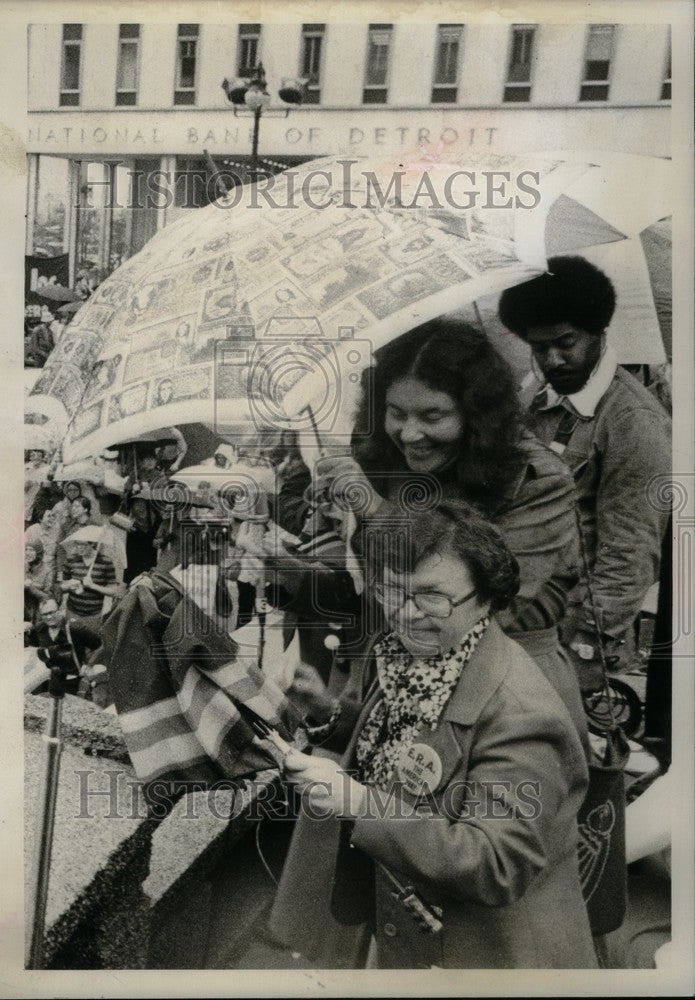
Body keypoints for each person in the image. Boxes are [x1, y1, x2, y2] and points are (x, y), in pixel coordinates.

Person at [270, 502, 597, 969]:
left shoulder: (522, 716)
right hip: (422, 930)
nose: (405, 615)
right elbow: (409, 741)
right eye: (390, 593)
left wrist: (360, 803)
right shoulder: (428, 656)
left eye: (432, 597)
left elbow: (496, 862)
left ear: (487, 597)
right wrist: (328, 713)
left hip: (491, 957)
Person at [290, 318, 587, 740]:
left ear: (477, 414)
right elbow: (374, 590)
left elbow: (485, 607)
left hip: (504, 701)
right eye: (396, 413)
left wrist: (377, 512)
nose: (410, 434)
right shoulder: (388, 462)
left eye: (433, 415)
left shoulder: (538, 481)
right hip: (392, 682)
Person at [497, 256, 671, 690]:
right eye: (539, 348)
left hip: (571, 628)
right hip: (518, 611)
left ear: (599, 332)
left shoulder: (635, 423)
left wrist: (584, 648)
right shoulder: (534, 393)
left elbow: (629, 556)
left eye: (565, 342)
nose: (552, 359)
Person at [25, 597, 102, 695]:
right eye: (44, 614)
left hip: (70, 681)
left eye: (52, 612)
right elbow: (34, 652)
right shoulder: (39, 629)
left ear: (60, 610)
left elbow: (99, 645)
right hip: (44, 681)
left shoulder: (75, 627)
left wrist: (89, 665)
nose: (48, 617)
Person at [59, 538, 119, 630]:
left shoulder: (106, 561)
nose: (79, 547)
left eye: (83, 544)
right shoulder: (71, 559)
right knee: (72, 641)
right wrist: (69, 586)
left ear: (93, 544)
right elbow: (61, 588)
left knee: (91, 642)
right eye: (77, 544)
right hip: (72, 612)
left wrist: (93, 586)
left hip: (94, 615)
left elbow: (113, 591)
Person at [24, 539, 53, 626]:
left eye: (31, 550)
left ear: (39, 552)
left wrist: (31, 587)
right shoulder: (22, 567)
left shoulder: (47, 571)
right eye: (26, 549)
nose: (27, 553)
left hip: (39, 612)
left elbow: (48, 597)